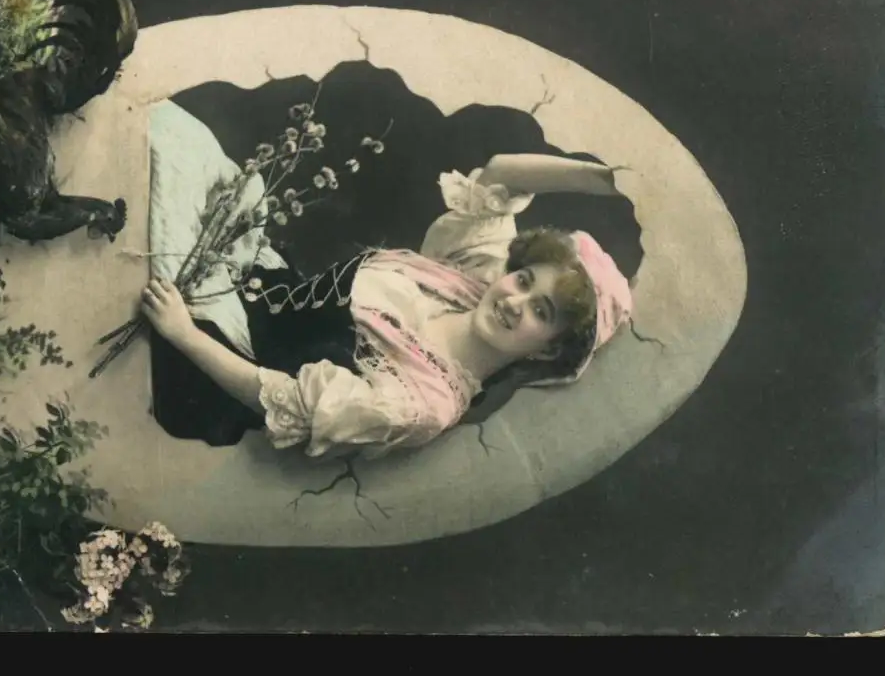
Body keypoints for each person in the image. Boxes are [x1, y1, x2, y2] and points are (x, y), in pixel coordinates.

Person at [144, 152, 633, 459]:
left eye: (541, 312)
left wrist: (183, 334)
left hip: (213, 356)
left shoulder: (425, 403)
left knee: (155, 171)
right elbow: (499, 174)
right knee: (182, 143)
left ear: (547, 350)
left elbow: (282, 397)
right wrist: (609, 177)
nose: (514, 300)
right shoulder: (466, 281)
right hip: (248, 278)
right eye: (523, 280)